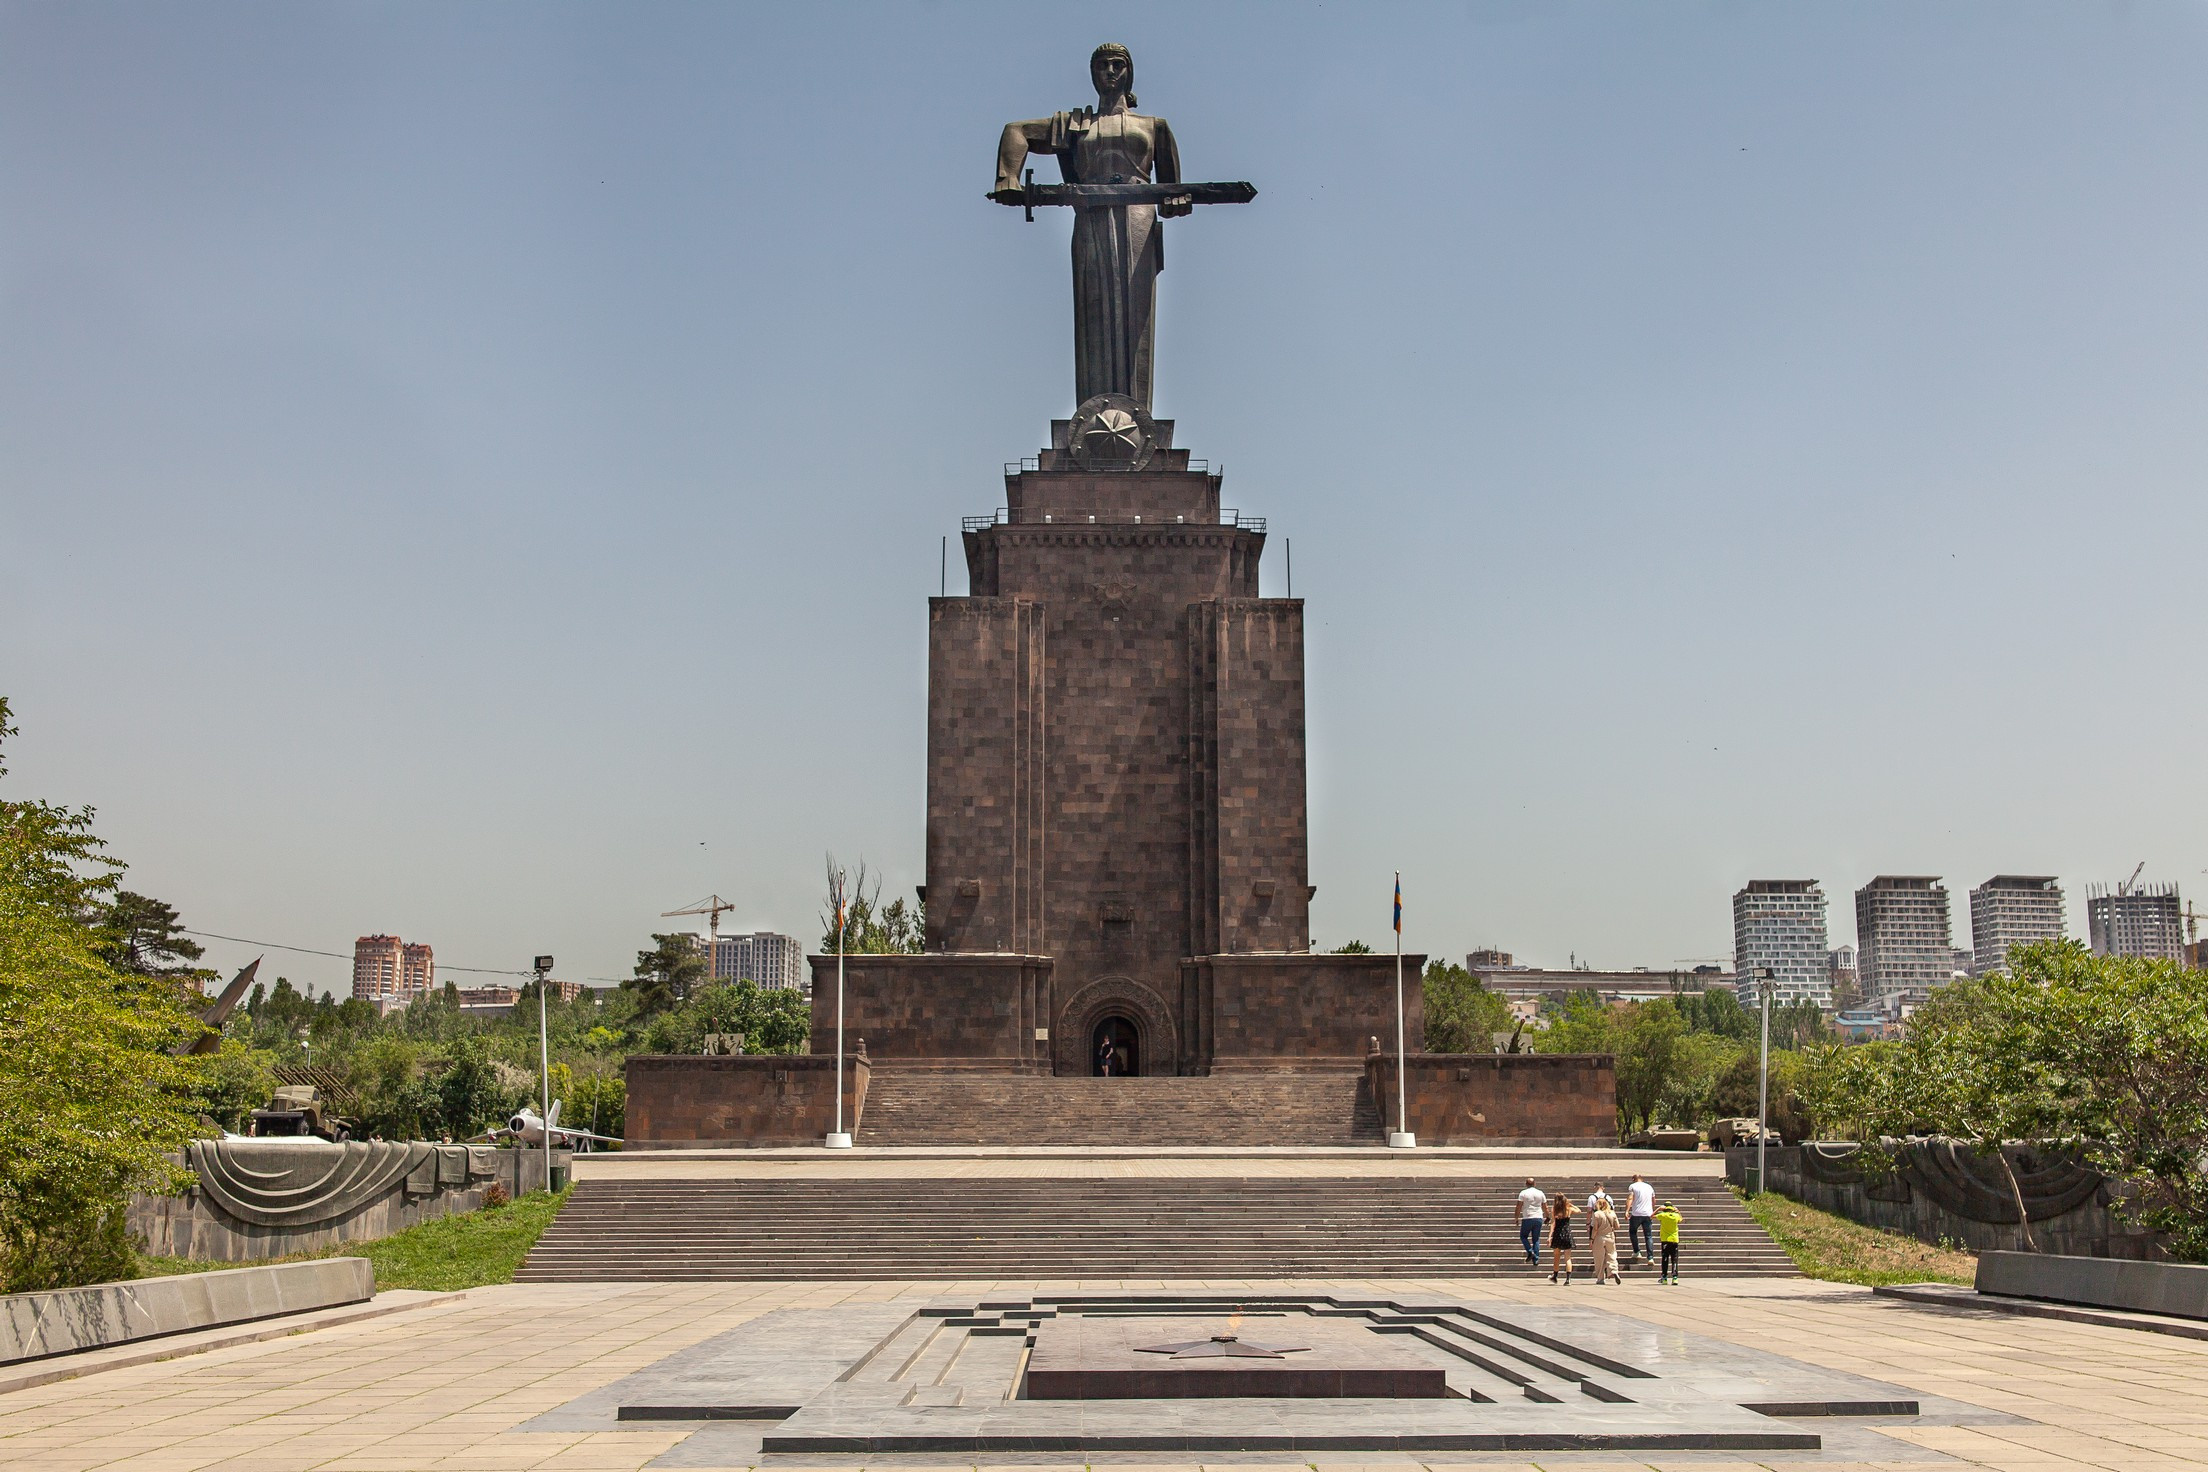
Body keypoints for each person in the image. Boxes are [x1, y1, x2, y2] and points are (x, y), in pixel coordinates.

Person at [1589, 1196, 1622, 1285]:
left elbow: (1595, 1228)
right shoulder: (1612, 1213)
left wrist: (1591, 1239)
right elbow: (1617, 1226)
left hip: (1599, 1237)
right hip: (1610, 1237)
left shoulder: (1597, 1214)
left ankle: (1600, 1278)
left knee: (1599, 1258)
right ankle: (1614, 1271)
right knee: (1612, 1255)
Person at [1627, 1173, 1656, 1265]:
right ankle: (1650, 1257)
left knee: (1633, 1232)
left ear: (1633, 1179)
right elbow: (1653, 1200)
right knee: (1648, 1235)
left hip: (1636, 1213)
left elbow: (1630, 1198)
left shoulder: (1632, 1186)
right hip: (1648, 1213)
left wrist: (1627, 1210)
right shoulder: (1649, 1187)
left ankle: (1637, 1251)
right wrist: (1652, 1210)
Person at [1516, 1178, 1546, 1265]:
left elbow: (1518, 1206)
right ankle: (1536, 1259)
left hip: (1527, 1217)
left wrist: (1516, 1217)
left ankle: (1530, 1251)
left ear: (1526, 1184)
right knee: (1536, 1239)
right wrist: (1547, 1216)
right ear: (1534, 1184)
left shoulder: (1523, 1193)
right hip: (1538, 1217)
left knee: (1523, 1236)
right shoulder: (1540, 1193)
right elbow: (1545, 1206)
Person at [1548, 1196, 1576, 1285]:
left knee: (1557, 1256)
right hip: (1567, 1233)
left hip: (1558, 1233)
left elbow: (1553, 1224)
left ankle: (1555, 1275)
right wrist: (1570, 1204)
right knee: (1568, 1257)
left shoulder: (1555, 1210)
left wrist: (1550, 1236)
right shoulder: (1568, 1209)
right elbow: (1579, 1210)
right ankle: (1568, 1279)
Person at [1655, 1201, 1683, 1284]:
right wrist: (1678, 1211)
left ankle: (1664, 1277)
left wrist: (1658, 1209)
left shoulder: (1663, 1215)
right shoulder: (1676, 1216)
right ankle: (1675, 1277)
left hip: (1665, 1240)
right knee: (1674, 1259)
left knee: (1665, 1259)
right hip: (1674, 1240)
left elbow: (1651, 1216)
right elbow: (1681, 1219)